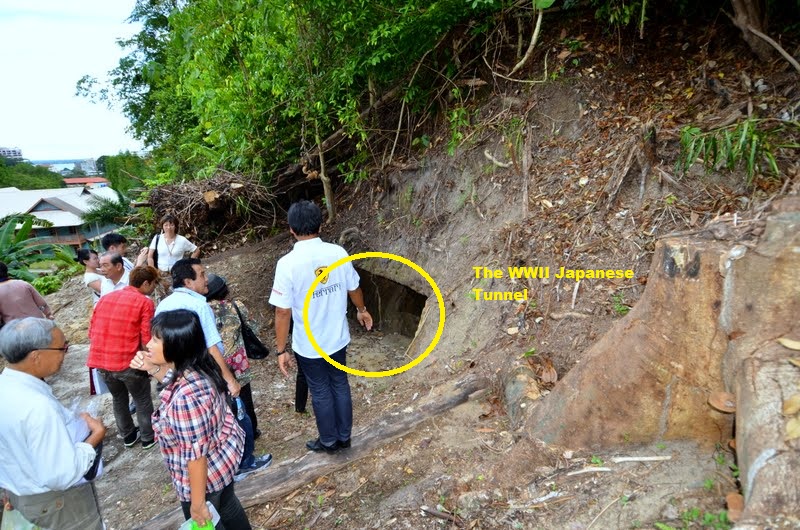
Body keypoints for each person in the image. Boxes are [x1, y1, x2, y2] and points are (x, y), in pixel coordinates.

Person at [130, 310, 251, 530]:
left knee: (208, 519)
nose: (148, 344)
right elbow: (175, 381)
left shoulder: (186, 399)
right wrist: (153, 368)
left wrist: (197, 504)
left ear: (176, 346)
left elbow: (196, 457)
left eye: (156, 340)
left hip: (204, 480)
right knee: (227, 504)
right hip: (221, 462)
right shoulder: (199, 366)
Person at [269, 200, 373, 453]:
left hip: (309, 343)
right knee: (339, 383)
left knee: (320, 389)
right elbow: (354, 288)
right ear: (320, 224)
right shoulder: (337, 253)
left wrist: (281, 350)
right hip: (337, 337)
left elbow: (282, 311)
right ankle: (344, 437)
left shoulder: (287, 264)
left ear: (291, 228)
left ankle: (328, 440)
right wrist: (362, 310)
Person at [0, 318, 106, 530]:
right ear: (36, 356)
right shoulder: (38, 406)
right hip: (59, 504)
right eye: (61, 348)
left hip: (22, 496)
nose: (65, 354)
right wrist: (95, 435)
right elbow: (61, 475)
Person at [205, 274, 272, 477]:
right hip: (236, 363)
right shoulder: (235, 306)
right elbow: (253, 327)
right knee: (245, 400)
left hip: (214, 364)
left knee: (222, 403)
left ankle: (228, 441)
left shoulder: (201, 310)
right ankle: (251, 434)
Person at [88, 266, 159, 449]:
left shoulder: (105, 298)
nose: (154, 287)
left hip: (101, 361)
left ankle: (128, 436)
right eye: (154, 283)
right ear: (146, 283)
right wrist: (151, 363)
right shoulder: (144, 302)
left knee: (118, 398)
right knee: (142, 398)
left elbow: (91, 331)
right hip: (128, 361)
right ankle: (148, 437)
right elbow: (146, 338)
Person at [156, 258, 241, 398]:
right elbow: (212, 347)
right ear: (188, 282)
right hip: (202, 375)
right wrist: (230, 381)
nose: (206, 279)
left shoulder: (162, 305)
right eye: (202, 275)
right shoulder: (198, 306)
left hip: (176, 377)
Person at [0, 261, 53, 325]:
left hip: (16, 328)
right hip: (38, 323)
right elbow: (41, 304)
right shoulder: (23, 284)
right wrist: (48, 315)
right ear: (6, 271)